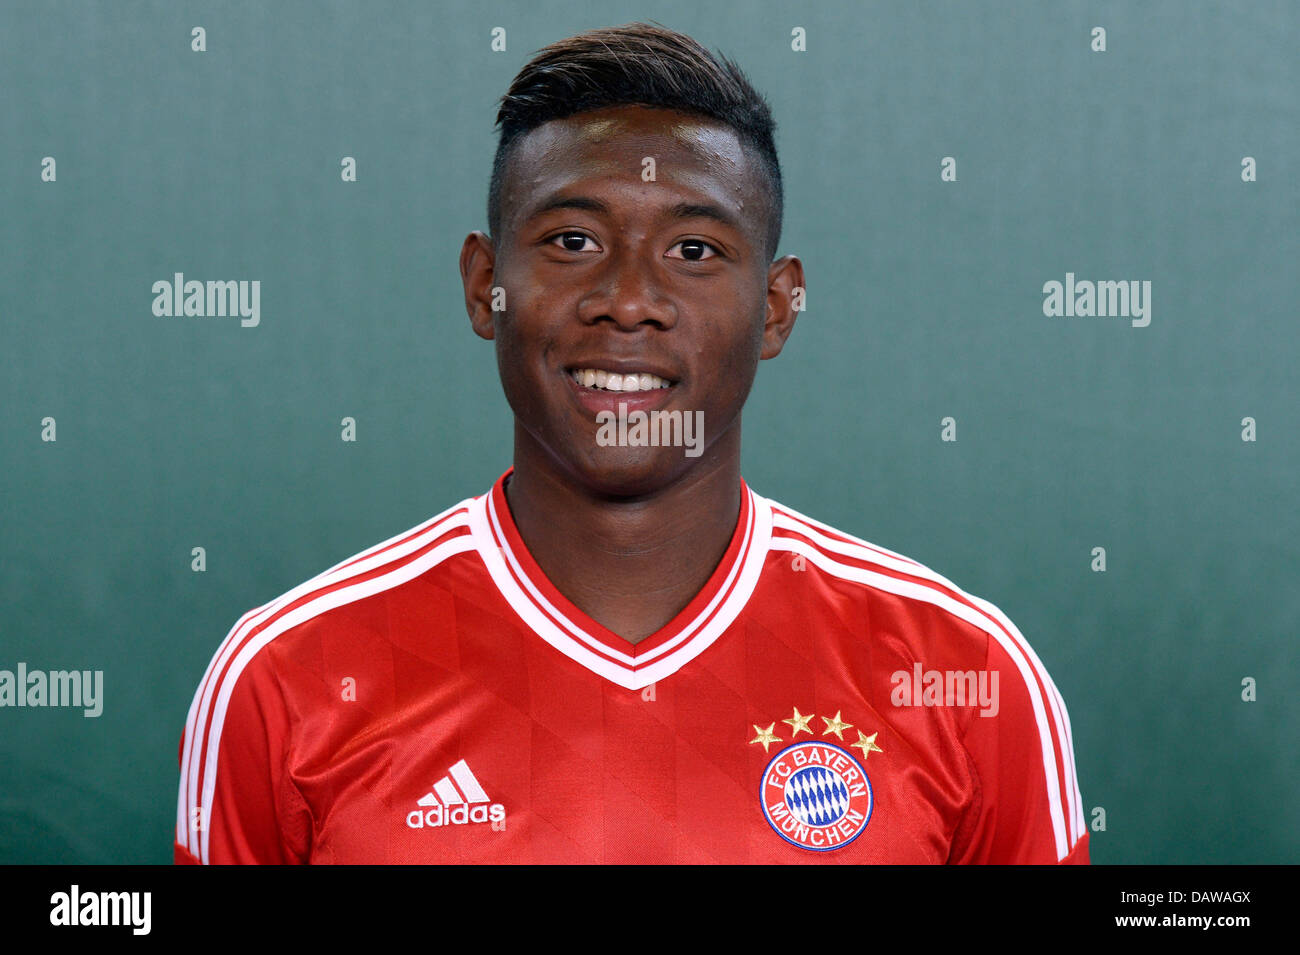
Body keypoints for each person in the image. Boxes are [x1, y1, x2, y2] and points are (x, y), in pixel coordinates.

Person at [174, 21, 1088, 864]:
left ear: (775, 309)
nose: (629, 298)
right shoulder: (288, 677)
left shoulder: (963, 674)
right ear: (484, 284)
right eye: (572, 240)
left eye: (693, 251)